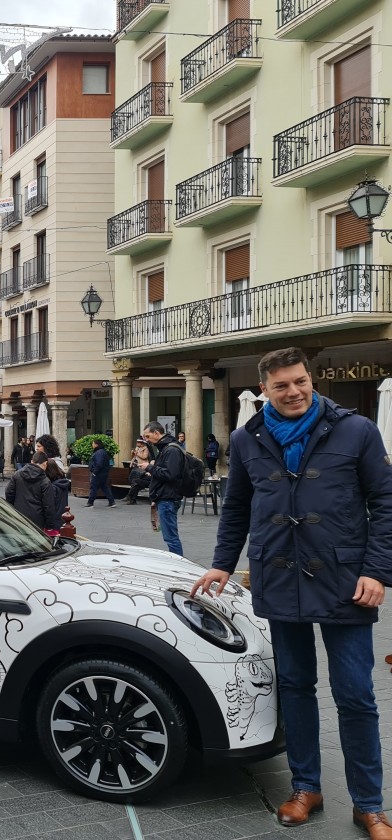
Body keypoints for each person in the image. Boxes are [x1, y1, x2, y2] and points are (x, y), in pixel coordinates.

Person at [191, 348, 392, 839]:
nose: (294, 391)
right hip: (279, 576)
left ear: (311, 379)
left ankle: (369, 804)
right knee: (297, 688)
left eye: (300, 381)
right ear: (265, 390)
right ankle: (307, 788)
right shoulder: (247, 437)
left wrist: (378, 571)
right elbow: (237, 504)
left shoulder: (357, 430)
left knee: (356, 694)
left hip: (346, 581)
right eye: (281, 386)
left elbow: (386, 501)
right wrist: (221, 562)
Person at [141, 420, 183, 555]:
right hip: (164, 497)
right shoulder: (166, 449)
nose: (147, 440)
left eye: (148, 436)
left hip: (168, 498)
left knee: (171, 538)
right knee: (170, 537)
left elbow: (171, 474)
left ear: (157, 433)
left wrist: (150, 467)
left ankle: (179, 566)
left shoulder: (171, 450)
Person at [5, 450, 56, 530]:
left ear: (32, 461)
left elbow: (9, 493)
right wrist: (50, 526)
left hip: (19, 515)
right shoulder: (45, 481)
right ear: (45, 463)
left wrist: (13, 508)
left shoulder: (17, 475)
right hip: (37, 520)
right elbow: (48, 506)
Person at [85, 438, 116, 508]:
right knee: (105, 487)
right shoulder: (103, 452)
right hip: (104, 473)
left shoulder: (99, 452)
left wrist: (94, 472)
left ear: (96, 444)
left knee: (93, 487)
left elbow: (99, 464)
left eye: (93, 443)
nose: (92, 445)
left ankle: (90, 502)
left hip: (98, 473)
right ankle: (112, 502)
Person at [124, 438, 154, 505]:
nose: (137, 443)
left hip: (143, 466)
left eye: (138, 442)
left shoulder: (146, 449)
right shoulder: (137, 448)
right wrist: (133, 453)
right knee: (134, 480)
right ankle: (131, 497)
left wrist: (136, 453)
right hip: (137, 465)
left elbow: (144, 457)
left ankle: (130, 497)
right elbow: (134, 457)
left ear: (141, 443)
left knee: (137, 480)